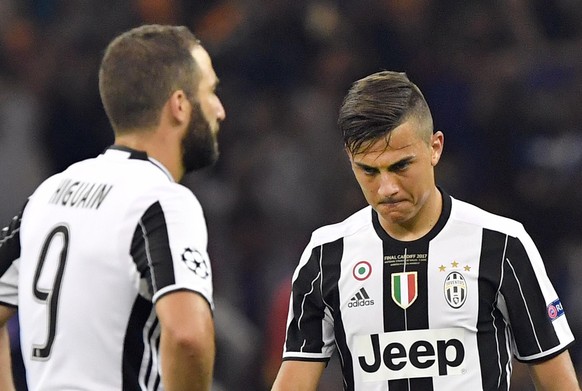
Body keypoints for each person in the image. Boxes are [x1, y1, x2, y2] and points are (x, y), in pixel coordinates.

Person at [271, 71, 579, 391]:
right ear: (350, 159)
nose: (387, 188)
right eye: (369, 170)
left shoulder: (502, 245)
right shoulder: (326, 254)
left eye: (401, 165)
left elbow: (560, 384)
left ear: (435, 148)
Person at [0, 24, 225, 390]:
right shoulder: (160, 201)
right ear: (180, 105)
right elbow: (188, 336)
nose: (220, 110)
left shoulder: (49, 193)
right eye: (211, 91)